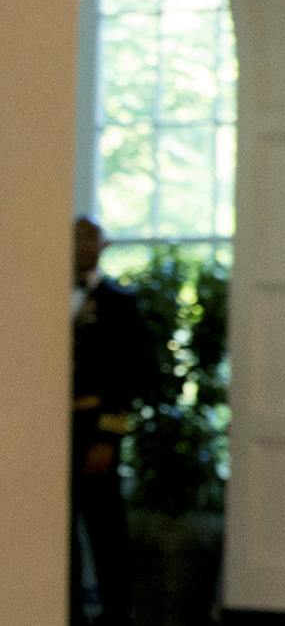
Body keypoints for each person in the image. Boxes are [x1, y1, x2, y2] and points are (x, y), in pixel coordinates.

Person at [70, 217, 157, 626]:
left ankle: (116, 611)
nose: (83, 248)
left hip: (95, 427)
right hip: (51, 431)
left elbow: (131, 375)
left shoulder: (118, 302)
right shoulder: (38, 297)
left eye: (90, 240)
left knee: (105, 526)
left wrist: (108, 435)